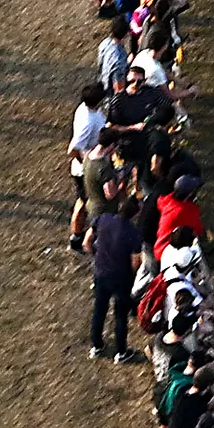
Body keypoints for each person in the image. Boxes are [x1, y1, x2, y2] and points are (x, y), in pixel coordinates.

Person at [87, 182, 149, 360]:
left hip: (101, 272)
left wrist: (96, 255)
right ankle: (121, 352)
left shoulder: (103, 219)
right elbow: (136, 260)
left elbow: (86, 241)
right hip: (121, 277)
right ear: (134, 214)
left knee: (99, 309)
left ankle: (96, 346)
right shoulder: (133, 233)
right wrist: (130, 273)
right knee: (120, 315)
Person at [67, 79, 113, 248]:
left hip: (90, 164)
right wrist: (85, 164)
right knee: (83, 202)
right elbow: (73, 149)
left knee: (85, 201)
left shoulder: (87, 109)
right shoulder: (88, 121)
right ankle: (77, 237)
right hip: (84, 170)